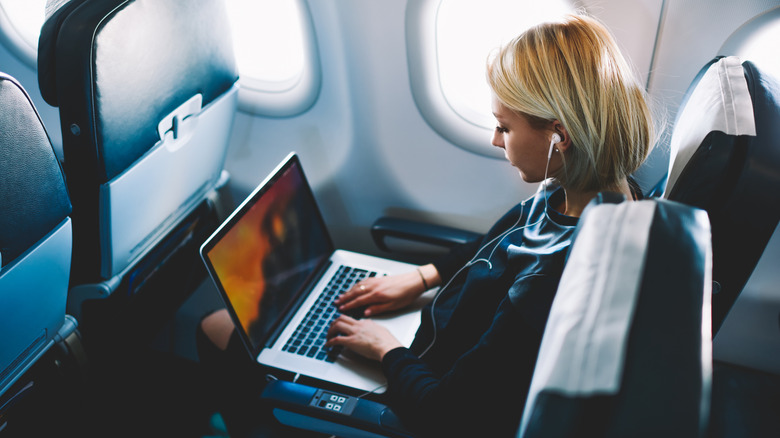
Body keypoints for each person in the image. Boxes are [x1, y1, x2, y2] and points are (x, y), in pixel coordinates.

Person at [197, 13, 654, 438]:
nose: (495, 140)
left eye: (505, 127)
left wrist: (385, 350)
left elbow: (447, 416)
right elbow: (494, 246)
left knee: (219, 329)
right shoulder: (590, 191)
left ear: (560, 136)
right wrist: (421, 278)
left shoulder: (549, 283)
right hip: (437, 341)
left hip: (421, 388)